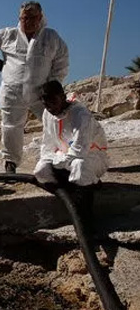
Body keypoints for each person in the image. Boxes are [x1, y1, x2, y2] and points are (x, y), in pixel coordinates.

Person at [0, 0, 69, 174]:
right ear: (19, 18)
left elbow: (62, 61)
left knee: (54, 123)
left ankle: (61, 158)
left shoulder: (51, 37)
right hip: (12, 92)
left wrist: (54, 82)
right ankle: (10, 163)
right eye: (24, 18)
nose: (27, 22)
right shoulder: (7, 34)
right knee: (10, 127)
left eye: (32, 18)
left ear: (40, 17)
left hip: (41, 92)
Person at [33, 80, 108, 227]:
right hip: (63, 157)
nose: (50, 108)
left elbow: (79, 151)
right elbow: (47, 146)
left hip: (91, 157)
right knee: (41, 171)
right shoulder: (48, 114)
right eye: (46, 104)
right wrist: (53, 160)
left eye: (53, 102)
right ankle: (78, 187)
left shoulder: (80, 115)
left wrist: (56, 161)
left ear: (62, 96)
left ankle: (85, 218)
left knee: (79, 166)